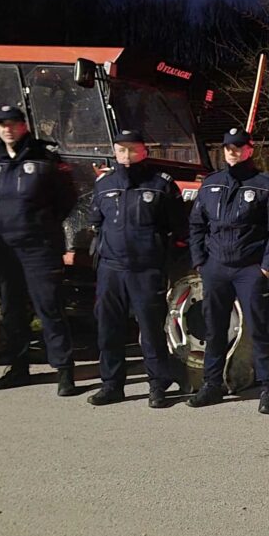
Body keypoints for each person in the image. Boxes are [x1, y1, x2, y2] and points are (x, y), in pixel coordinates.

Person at [186, 128, 269, 413]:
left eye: (239, 147)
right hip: (215, 268)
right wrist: (200, 263)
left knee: (258, 330)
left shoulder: (264, 184)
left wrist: (266, 268)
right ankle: (212, 385)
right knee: (214, 329)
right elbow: (197, 225)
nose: (233, 152)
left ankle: (268, 389)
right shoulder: (211, 183)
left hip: (249, 269)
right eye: (229, 147)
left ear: (249, 150)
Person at [86, 130, 187, 409]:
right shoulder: (104, 184)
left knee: (151, 329)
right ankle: (112, 385)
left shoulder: (161, 184)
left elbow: (177, 228)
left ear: (144, 151)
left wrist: (160, 258)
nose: (126, 156)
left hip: (146, 270)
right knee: (109, 329)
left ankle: (157, 385)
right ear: (115, 152)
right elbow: (97, 222)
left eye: (132, 150)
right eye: (121, 150)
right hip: (111, 269)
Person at [0, 103, 79, 395]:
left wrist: (42, 224)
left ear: (23, 125)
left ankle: (64, 372)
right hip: (5, 247)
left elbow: (67, 198)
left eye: (12, 123)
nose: (7, 129)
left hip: (39, 246)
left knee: (48, 307)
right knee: (12, 310)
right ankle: (18, 366)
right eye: (2, 124)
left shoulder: (44, 157)